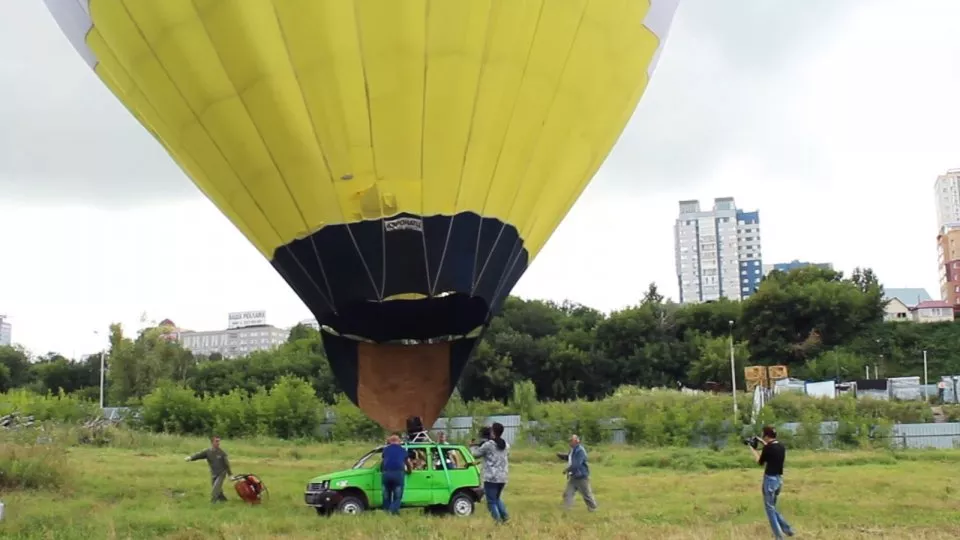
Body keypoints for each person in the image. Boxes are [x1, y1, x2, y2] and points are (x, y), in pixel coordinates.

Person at [749, 425, 794, 539]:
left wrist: (752, 448)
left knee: (770, 510)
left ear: (767, 436)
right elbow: (770, 448)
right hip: (779, 480)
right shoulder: (781, 446)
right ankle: (788, 529)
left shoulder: (768, 448)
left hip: (770, 480)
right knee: (773, 507)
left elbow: (760, 462)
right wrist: (761, 441)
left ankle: (779, 536)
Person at [470, 422, 510, 524]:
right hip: (503, 477)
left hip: (491, 477)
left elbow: (475, 454)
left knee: (491, 501)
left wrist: (472, 446)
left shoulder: (488, 445)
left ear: (493, 432)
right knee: (496, 498)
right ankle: (505, 517)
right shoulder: (506, 445)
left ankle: (497, 521)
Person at [185, 435, 233, 503]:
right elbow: (199, 455)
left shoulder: (222, 453)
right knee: (218, 490)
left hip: (221, 473)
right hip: (213, 473)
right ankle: (223, 500)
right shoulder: (207, 452)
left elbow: (227, 464)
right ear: (212, 442)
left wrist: (230, 475)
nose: (218, 443)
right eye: (216, 441)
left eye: (219, 441)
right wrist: (190, 458)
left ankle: (213, 503)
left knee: (215, 489)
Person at [562, 434, 597, 512]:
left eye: (571, 441)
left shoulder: (580, 450)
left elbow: (577, 464)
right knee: (567, 493)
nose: (569, 443)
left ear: (576, 441)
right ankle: (566, 510)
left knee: (587, 495)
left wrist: (567, 470)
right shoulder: (573, 450)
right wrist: (563, 456)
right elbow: (570, 458)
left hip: (581, 476)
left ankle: (593, 508)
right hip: (574, 476)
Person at [380, 433, 410, 515]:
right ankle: (392, 510)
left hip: (386, 474)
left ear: (390, 441)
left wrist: (382, 471)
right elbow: (407, 463)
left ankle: (389, 512)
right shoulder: (402, 450)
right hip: (398, 474)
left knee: (386, 495)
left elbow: (383, 462)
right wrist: (409, 471)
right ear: (399, 441)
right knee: (397, 496)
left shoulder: (385, 450)